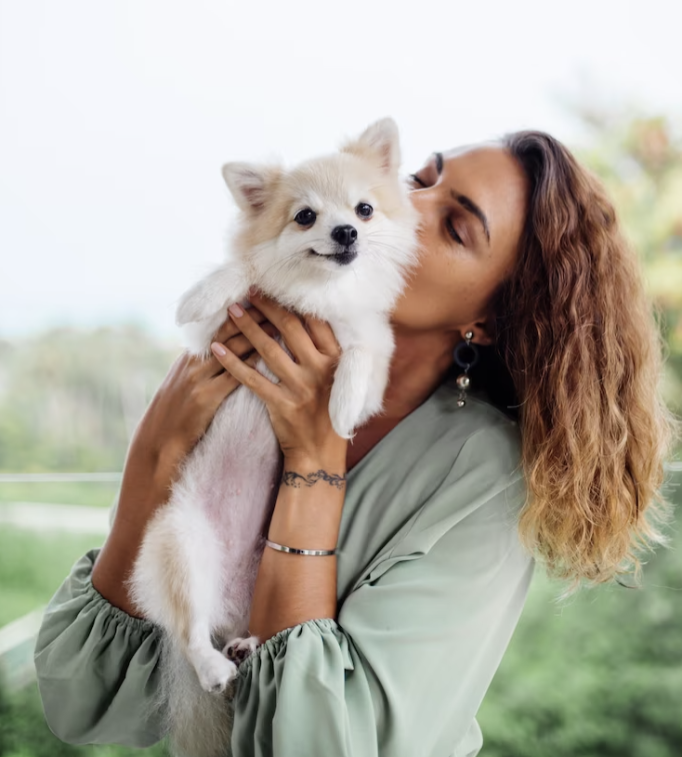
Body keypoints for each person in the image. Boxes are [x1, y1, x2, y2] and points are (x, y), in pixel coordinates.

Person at [34, 131, 677, 757]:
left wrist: (315, 466)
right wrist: (156, 450)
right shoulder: (244, 358)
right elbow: (83, 700)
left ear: (486, 318)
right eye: (419, 180)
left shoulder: (485, 474)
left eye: (456, 226)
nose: (400, 205)